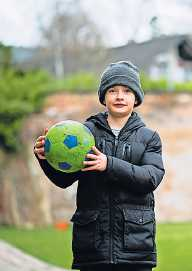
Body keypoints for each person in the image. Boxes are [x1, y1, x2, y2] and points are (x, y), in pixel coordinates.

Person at [33, 61, 165, 271]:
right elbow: (64, 180)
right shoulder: (85, 133)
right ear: (103, 97)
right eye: (113, 90)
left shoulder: (149, 138)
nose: (119, 96)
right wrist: (44, 158)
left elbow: (150, 178)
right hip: (93, 246)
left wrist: (108, 164)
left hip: (135, 246)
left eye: (127, 91)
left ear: (136, 99)